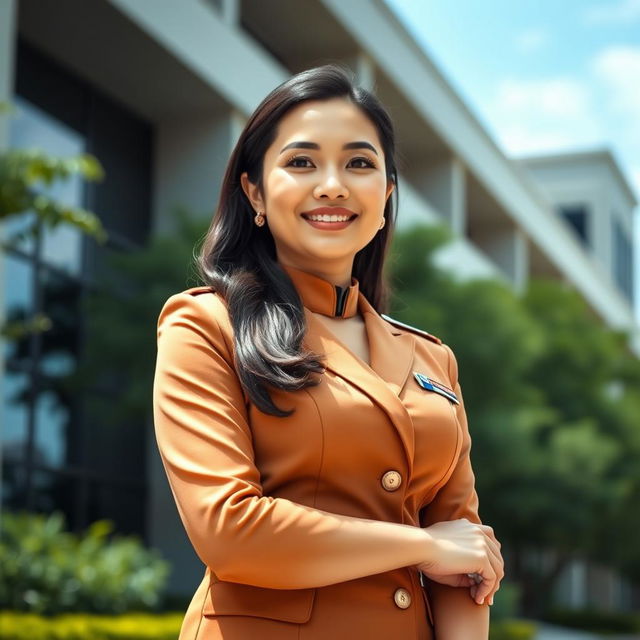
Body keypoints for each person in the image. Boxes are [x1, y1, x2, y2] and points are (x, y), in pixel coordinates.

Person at [153, 63, 504, 640]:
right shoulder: (204, 324)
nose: (333, 184)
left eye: (360, 163)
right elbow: (229, 530)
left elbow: (465, 555)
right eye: (301, 162)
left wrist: (446, 553)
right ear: (254, 191)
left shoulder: (432, 359)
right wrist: (421, 546)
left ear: (387, 194)